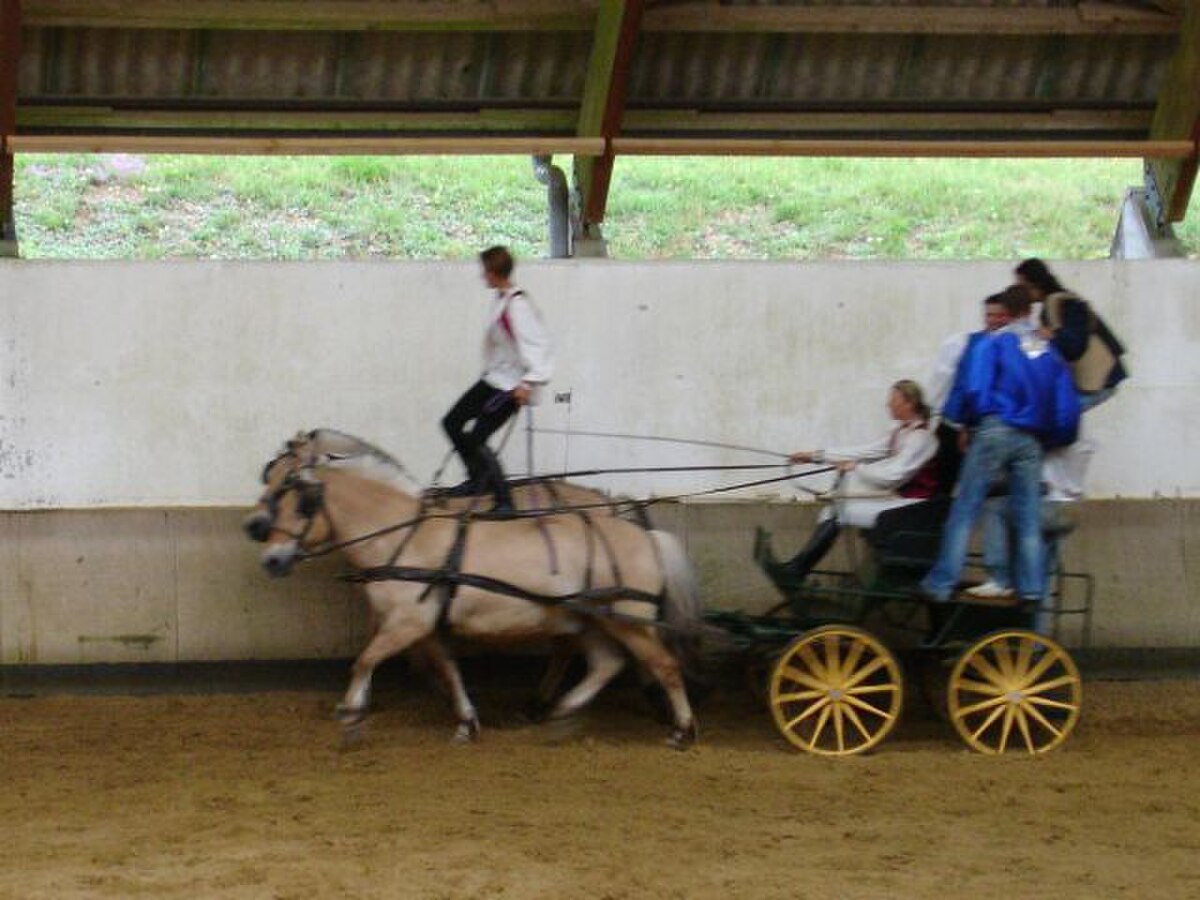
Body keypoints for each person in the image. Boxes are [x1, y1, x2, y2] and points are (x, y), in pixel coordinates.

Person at [920, 285, 1080, 606]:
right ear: (1030, 310)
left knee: (964, 509)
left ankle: (941, 581)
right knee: (1027, 516)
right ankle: (1032, 587)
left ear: (1006, 311)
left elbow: (974, 388)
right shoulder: (1048, 351)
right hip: (1033, 439)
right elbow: (1066, 408)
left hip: (995, 429)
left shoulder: (992, 344)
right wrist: (1052, 437)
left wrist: (963, 422)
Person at [762, 380, 939, 583]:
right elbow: (862, 451)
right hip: (900, 504)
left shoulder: (921, 438)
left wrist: (857, 468)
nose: (888, 405)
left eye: (893, 401)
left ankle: (797, 570)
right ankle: (797, 568)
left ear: (909, 403)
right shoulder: (901, 433)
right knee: (833, 511)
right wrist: (815, 456)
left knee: (837, 512)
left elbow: (893, 475)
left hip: (912, 509)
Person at [440, 246, 553, 511]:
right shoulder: (501, 300)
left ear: (494, 272)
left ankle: (504, 501)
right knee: (451, 422)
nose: (482, 277)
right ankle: (477, 478)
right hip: (494, 379)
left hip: (512, 386)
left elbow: (540, 345)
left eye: (484, 272)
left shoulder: (517, 306)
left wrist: (529, 382)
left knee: (477, 438)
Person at [965, 439, 1094, 632]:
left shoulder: (1046, 440)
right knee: (1041, 580)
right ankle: (1037, 645)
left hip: (1046, 506)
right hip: (1066, 510)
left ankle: (999, 579)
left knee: (995, 508)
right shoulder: (1082, 445)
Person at [1014, 257, 1127, 412]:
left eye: (1022, 286)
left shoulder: (1065, 304)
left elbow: (1074, 346)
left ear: (1036, 285)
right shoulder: (1049, 308)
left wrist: (1051, 336)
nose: (1020, 292)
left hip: (1101, 379)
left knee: (1055, 418)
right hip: (1087, 382)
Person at [927, 291, 1013, 492]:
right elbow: (942, 380)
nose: (994, 320)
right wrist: (933, 414)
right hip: (955, 424)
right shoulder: (963, 343)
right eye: (989, 315)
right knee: (946, 483)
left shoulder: (1019, 345)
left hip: (992, 428)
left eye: (999, 315)